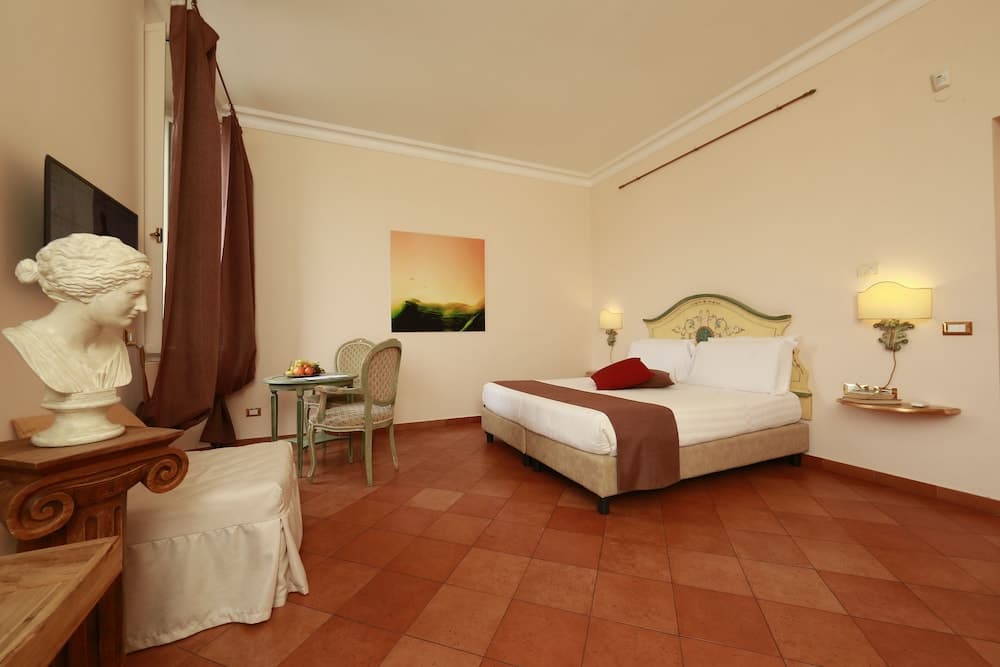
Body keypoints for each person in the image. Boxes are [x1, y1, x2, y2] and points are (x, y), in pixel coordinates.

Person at [3, 233, 151, 445]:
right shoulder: (26, 341)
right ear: (88, 287)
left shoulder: (116, 349)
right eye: (134, 295)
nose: (143, 307)